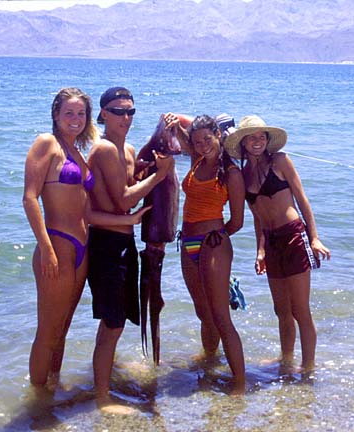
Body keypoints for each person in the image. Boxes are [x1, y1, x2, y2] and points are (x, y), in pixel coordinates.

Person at [22, 87, 149, 388]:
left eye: (81, 114)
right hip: (58, 244)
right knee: (48, 331)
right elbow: (29, 199)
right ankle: (37, 403)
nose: (75, 119)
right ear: (56, 115)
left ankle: (53, 385)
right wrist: (46, 248)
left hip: (83, 248)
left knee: (62, 327)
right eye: (69, 113)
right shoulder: (46, 144)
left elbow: (88, 213)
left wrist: (128, 219)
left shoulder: (78, 152)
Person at [87, 86, 175, 404]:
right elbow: (123, 199)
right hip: (107, 244)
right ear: (103, 114)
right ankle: (101, 398)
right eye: (119, 111)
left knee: (118, 322)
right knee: (112, 324)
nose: (126, 117)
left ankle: (103, 385)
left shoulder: (128, 150)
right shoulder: (105, 149)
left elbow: (134, 179)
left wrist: (163, 135)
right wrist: (158, 176)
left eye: (130, 111)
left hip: (125, 242)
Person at [224, 115, 331, 372]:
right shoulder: (243, 173)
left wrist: (314, 237)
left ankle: (308, 368)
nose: (257, 141)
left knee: (300, 310)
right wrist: (260, 251)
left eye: (262, 136)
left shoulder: (281, 161)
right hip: (271, 242)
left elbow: (302, 200)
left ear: (268, 140)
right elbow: (257, 216)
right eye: (252, 137)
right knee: (281, 309)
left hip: (294, 236)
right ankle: (286, 360)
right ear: (243, 142)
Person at [164, 113, 246, 394]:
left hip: (213, 244)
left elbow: (237, 221)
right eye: (197, 141)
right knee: (203, 313)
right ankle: (210, 362)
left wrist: (217, 238)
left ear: (219, 136)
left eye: (207, 139)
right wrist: (175, 125)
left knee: (221, 316)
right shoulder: (196, 158)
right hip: (187, 242)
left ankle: (239, 385)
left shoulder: (231, 172)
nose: (202, 145)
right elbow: (186, 141)